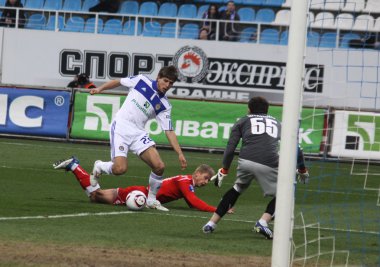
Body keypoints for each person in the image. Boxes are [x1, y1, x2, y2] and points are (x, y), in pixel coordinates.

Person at [202, 96, 309, 239]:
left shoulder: (242, 121)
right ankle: (263, 222)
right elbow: (297, 148)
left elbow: (230, 148)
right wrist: (302, 170)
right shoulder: (277, 123)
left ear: (249, 109)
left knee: (237, 188)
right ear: (267, 110)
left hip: (245, 161)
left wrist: (224, 170)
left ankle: (211, 224)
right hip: (269, 162)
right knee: (286, 194)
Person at [89, 65, 187, 212]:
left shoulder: (165, 105)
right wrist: (99, 89)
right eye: (165, 81)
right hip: (121, 127)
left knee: (159, 166)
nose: (167, 85)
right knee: (120, 169)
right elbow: (118, 81)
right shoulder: (141, 81)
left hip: (138, 133)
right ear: (158, 78)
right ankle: (100, 166)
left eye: (171, 83)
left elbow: (169, 130)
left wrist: (179, 153)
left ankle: (152, 200)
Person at [53, 156, 233, 213]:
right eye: (206, 179)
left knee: (95, 197)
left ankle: (74, 166)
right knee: (95, 196)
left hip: (139, 193)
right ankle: (77, 166)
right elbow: (193, 201)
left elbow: (189, 200)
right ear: (199, 174)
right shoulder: (185, 181)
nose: (206, 183)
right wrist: (218, 209)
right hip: (138, 194)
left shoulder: (187, 182)